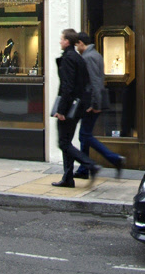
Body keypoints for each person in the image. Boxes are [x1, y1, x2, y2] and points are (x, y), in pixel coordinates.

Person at [51, 28, 101, 188]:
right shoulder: (78, 58)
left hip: (69, 107)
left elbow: (67, 86)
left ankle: (89, 164)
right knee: (67, 141)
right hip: (77, 106)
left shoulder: (68, 59)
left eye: (61, 38)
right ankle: (68, 178)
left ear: (67, 41)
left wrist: (61, 110)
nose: (60, 41)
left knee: (63, 143)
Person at [75, 32, 126, 178]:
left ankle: (114, 158)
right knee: (84, 135)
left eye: (77, 45)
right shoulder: (96, 55)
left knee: (85, 135)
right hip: (93, 100)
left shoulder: (88, 57)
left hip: (92, 102)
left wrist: (95, 103)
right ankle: (84, 169)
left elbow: (95, 82)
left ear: (80, 43)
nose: (77, 48)